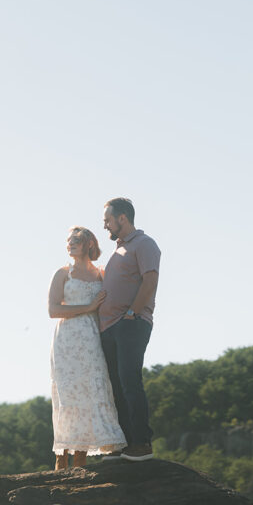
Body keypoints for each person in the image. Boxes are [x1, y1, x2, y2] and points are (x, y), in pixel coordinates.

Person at [48, 226, 127, 470]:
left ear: (89, 244)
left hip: (92, 340)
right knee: (68, 394)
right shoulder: (62, 274)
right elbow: (53, 310)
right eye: (69, 240)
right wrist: (89, 307)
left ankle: (80, 458)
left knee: (92, 391)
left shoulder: (101, 274)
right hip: (67, 341)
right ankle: (62, 457)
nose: (70, 244)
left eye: (77, 240)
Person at [99, 197, 161, 462]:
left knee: (129, 381)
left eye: (107, 220)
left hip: (131, 324)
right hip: (110, 328)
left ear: (122, 218)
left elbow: (151, 280)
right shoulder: (117, 251)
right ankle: (126, 444)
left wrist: (132, 313)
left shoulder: (145, 244)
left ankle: (142, 443)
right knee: (116, 386)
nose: (105, 226)